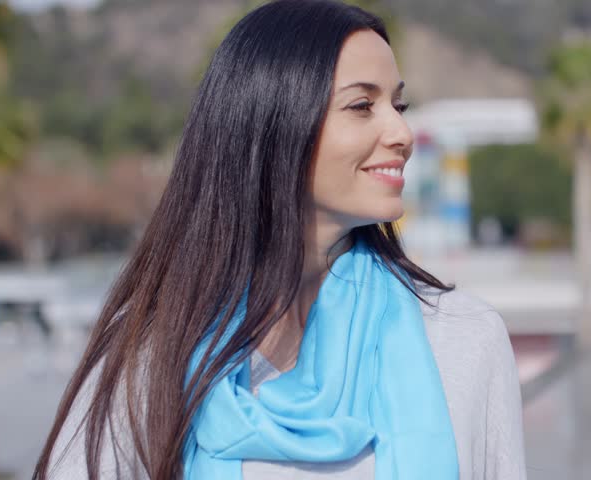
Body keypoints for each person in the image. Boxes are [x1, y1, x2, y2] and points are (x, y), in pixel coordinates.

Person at [32, 1, 527, 478]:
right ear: (274, 124)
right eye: (362, 106)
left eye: (398, 105)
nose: (400, 131)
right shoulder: (153, 353)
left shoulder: (463, 339)